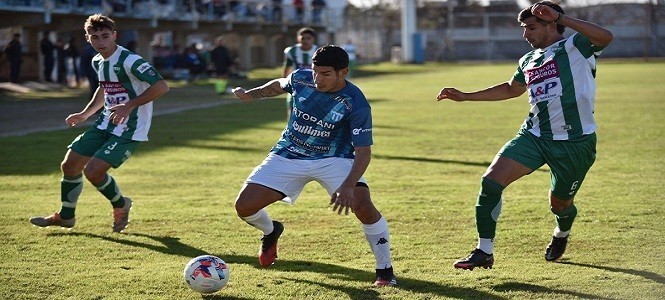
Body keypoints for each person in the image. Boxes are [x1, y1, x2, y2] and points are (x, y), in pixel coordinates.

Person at [436, 1, 613, 270]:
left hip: (574, 143)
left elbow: (606, 37)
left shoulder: (577, 46)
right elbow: (511, 89)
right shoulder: (528, 59)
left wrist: (563, 17)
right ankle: (484, 251)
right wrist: (466, 96)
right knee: (491, 182)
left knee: (560, 205)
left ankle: (561, 233)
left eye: (531, 28)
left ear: (552, 25)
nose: (525, 34)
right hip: (534, 136)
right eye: (524, 28)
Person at [231, 45, 397, 286]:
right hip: (289, 153)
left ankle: (385, 270)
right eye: (315, 71)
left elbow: (363, 151)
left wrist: (349, 185)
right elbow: (279, 85)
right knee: (244, 207)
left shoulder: (356, 103)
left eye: (326, 74)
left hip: (334, 159)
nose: (318, 79)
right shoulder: (301, 78)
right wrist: (250, 94)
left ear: (344, 72)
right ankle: (271, 231)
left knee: (363, 206)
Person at [29, 14, 169, 233]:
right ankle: (66, 217)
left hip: (130, 129)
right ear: (88, 38)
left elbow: (161, 86)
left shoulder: (130, 60)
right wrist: (85, 114)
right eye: (95, 37)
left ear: (114, 35)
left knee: (93, 171)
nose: (100, 41)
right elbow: (105, 88)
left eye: (105, 36)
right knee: (70, 165)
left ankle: (121, 204)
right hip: (105, 123)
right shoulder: (97, 60)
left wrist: (128, 106)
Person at [282, 27, 317, 118]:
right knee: (291, 106)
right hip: (296, 85)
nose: (305, 40)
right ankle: (290, 128)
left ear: (313, 39)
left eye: (308, 38)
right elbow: (287, 66)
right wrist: (284, 82)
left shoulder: (319, 51)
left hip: (314, 86)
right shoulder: (291, 51)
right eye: (302, 38)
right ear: (298, 38)